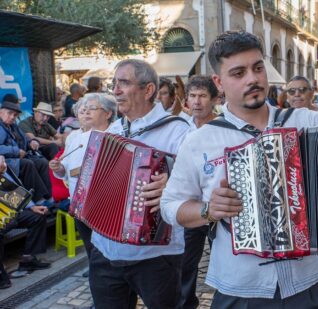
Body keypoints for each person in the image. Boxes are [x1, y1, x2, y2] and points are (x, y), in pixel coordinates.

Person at [160, 30, 318, 309]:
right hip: (241, 287)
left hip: (312, 281)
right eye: (238, 73)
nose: (252, 79)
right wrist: (207, 210)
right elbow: (170, 205)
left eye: (257, 68)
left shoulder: (308, 121)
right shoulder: (200, 140)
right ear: (219, 82)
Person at [87, 59, 189, 309]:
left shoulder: (179, 132)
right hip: (104, 251)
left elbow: (198, 183)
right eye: (114, 84)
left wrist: (173, 184)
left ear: (148, 90)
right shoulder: (113, 130)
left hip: (155, 256)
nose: (116, 90)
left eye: (123, 83)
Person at [49, 93, 117, 259]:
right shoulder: (73, 136)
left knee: (108, 250)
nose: (86, 113)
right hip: (78, 203)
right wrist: (57, 167)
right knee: (90, 247)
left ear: (108, 113)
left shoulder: (116, 134)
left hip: (105, 204)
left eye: (91, 109)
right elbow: (64, 170)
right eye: (82, 110)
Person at [178, 75, 218, 309]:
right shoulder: (181, 129)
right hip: (191, 206)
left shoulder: (222, 127)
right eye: (192, 96)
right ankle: (186, 303)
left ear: (213, 99)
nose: (197, 101)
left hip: (217, 208)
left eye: (202, 96)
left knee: (224, 259)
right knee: (186, 261)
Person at [0, 155, 51, 289]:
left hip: (8, 211)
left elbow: (11, 188)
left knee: (37, 216)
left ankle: (28, 259)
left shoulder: (3, 164)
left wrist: (31, 206)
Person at [0, 101, 52, 205]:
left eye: (15, 115)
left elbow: (24, 139)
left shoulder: (13, 126)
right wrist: (16, 151)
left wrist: (32, 142)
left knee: (42, 162)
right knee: (27, 164)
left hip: (20, 156)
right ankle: (37, 200)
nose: (12, 117)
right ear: (0, 112)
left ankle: (50, 196)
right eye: (9, 113)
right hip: (6, 161)